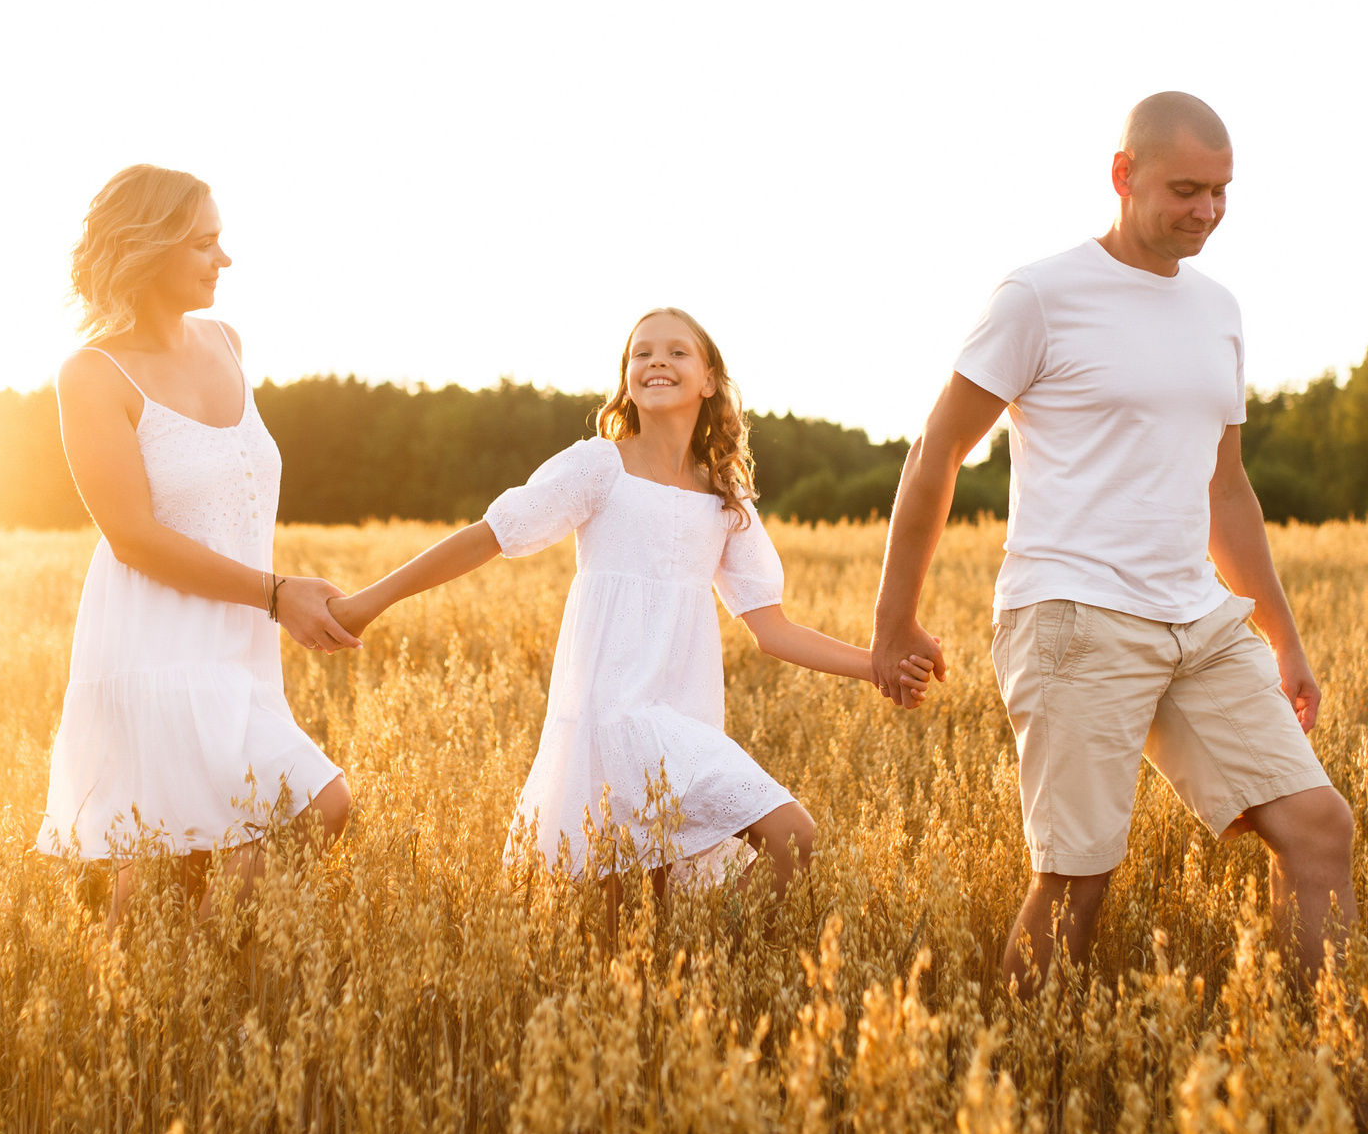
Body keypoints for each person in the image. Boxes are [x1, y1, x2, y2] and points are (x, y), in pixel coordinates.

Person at [870, 93, 1355, 995]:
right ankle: (1013, 1090)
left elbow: (1227, 486)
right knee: (1077, 879)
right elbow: (938, 448)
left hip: (1198, 622)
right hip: (1072, 616)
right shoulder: (1040, 295)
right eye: (1185, 189)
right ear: (1123, 175)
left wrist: (1284, 636)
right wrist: (893, 620)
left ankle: (1322, 1077)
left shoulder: (1220, 310)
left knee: (1321, 826)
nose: (1206, 212)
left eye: (1221, 192)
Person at [328, 307, 929, 896]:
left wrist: (874, 664)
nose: (655, 362)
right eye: (640, 352)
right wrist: (366, 603)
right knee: (622, 926)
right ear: (626, 378)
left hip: (683, 720)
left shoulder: (725, 494)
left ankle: (719, 969)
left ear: (709, 380)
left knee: (790, 838)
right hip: (608, 714)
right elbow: (489, 537)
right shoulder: (599, 466)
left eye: (675, 351)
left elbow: (771, 628)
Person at [35, 164, 359, 926]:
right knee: (158, 885)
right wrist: (277, 594)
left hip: (238, 654)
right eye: (205, 244)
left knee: (300, 820)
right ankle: (136, 1025)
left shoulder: (227, 341)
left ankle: (203, 1000)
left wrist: (268, 605)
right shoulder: (91, 374)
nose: (226, 260)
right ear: (146, 251)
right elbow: (135, 538)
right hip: (153, 652)